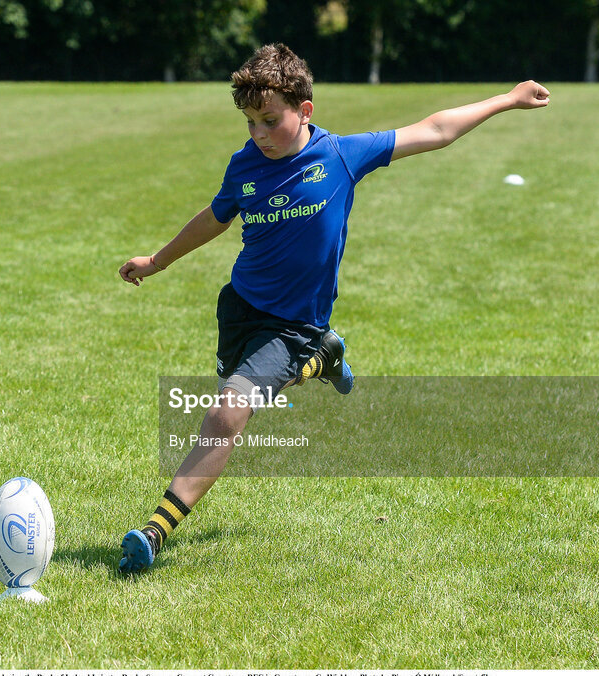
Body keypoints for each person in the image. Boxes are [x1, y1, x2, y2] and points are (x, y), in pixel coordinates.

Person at [116, 43, 549, 573]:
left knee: (227, 411)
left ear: (305, 110)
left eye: (269, 120)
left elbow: (434, 130)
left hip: (295, 322)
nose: (258, 134)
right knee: (249, 397)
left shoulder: (341, 155)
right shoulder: (244, 166)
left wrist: (506, 99)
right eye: (250, 122)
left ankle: (155, 533)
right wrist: (158, 260)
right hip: (241, 308)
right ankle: (324, 357)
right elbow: (216, 216)